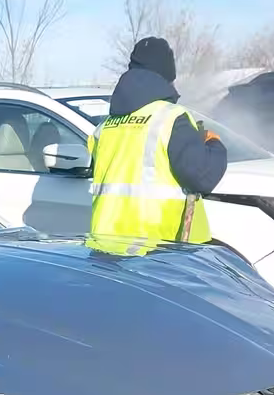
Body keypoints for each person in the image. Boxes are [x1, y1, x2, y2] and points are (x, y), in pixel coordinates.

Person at [87, 37, 227, 255]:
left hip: (105, 246)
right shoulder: (171, 118)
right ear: (167, 76)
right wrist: (213, 143)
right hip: (158, 250)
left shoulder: (105, 126)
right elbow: (203, 177)